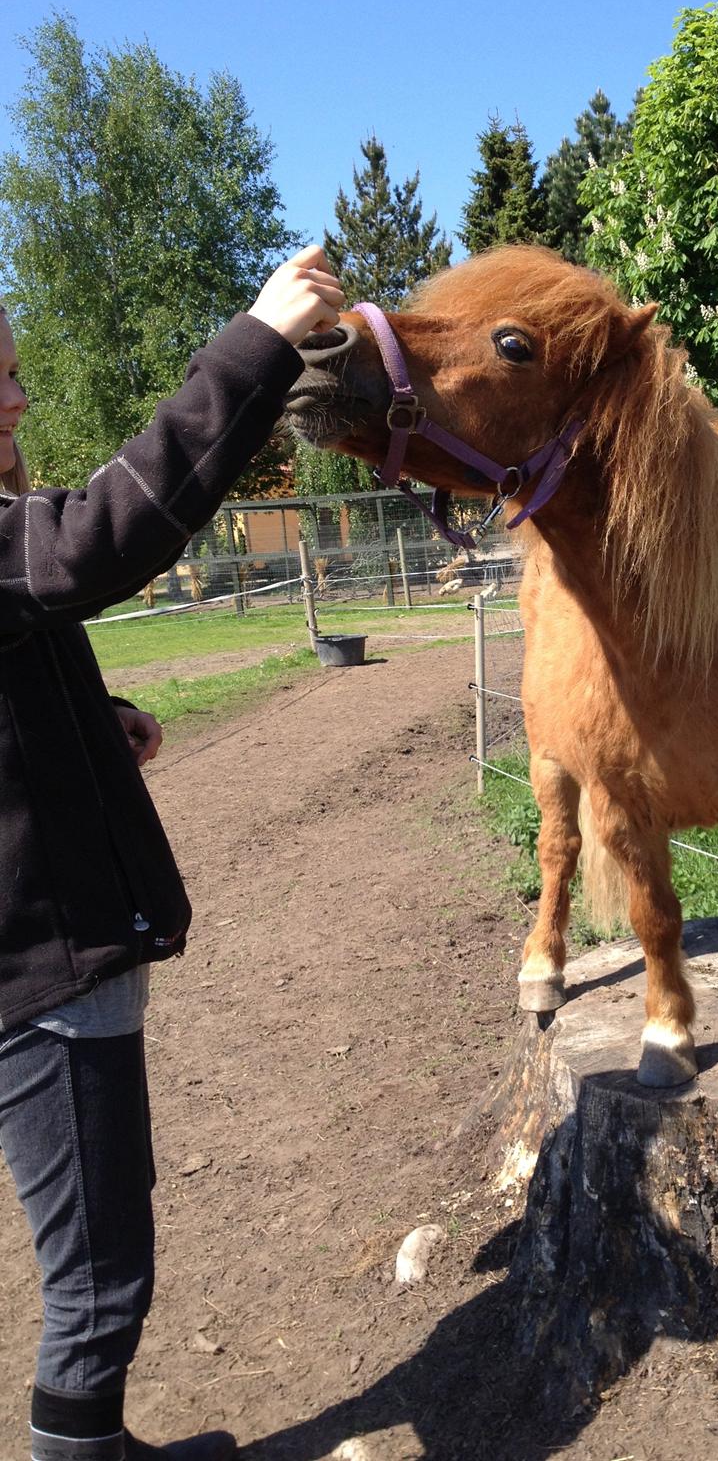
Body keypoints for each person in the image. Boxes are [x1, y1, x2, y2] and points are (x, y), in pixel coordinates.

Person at [0, 247, 344, 1461]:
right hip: (44, 972)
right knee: (99, 1281)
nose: (18, 401)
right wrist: (255, 340)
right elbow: (102, 538)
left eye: (15, 374)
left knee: (103, 1238)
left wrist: (96, 725)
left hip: (55, 950)